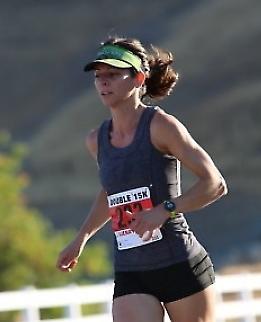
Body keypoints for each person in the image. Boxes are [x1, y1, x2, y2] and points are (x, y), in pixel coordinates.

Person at [56, 36, 228, 322]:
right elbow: (111, 192)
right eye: (98, 75)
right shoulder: (96, 140)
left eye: (113, 74)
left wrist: (164, 210)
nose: (103, 82)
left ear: (138, 78)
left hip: (179, 263)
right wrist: (81, 238)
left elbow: (215, 184)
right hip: (132, 270)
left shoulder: (162, 127)